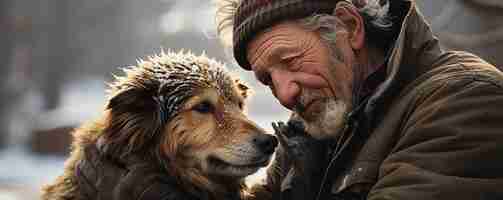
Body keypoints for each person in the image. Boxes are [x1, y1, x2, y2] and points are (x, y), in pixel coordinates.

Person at [215, 0, 503, 199]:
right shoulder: (311, 129)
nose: (285, 94)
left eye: (291, 61)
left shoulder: (465, 98)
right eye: (267, 80)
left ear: (351, 27)